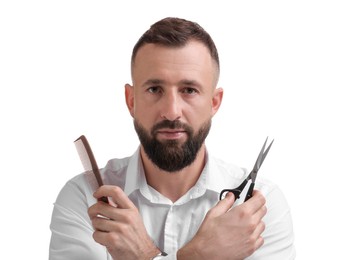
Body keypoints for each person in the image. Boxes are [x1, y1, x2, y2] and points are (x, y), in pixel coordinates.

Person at [49, 17, 295, 260]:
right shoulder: (84, 198)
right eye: (155, 89)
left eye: (189, 90)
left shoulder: (260, 208)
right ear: (131, 100)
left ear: (214, 102)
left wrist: (146, 256)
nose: (171, 111)